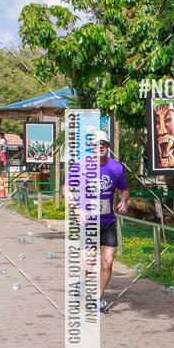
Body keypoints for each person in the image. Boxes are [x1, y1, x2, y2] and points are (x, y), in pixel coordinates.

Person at [63, 130, 129, 312]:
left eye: (103, 144)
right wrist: (76, 208)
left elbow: (124, 189)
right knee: (90, 261)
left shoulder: (116, 167)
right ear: (91, 147)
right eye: (96, 144)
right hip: (87, 221)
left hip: (108, 221)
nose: (100, 147)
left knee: (107, 262)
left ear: (108, 147)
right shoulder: (80, 165)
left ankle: (97, 299)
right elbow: (67, 188)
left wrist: (124, 201)